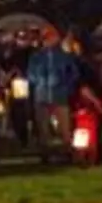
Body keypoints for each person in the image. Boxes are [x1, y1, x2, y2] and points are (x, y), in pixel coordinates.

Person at [27, 30, 81, 160]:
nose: (48, 40)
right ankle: (45, 154)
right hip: (42, 95)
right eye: (46, 38)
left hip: (59, 94)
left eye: (51, 37)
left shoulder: (63, 56)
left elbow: (73, 73)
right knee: (43, 126)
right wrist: (40, 81)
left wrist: (66, 86)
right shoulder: (37, 57)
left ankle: (68, 152)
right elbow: (31, 74)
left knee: (64, 127)